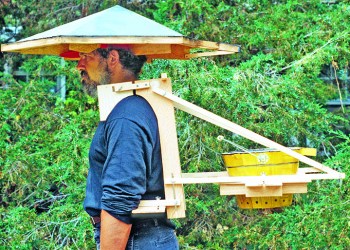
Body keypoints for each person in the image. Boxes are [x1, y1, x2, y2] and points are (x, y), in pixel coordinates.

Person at [76, 46, 179, 249]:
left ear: (112, 58)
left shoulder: (126, 114)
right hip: (141, 237)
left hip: (137, 239)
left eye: (86, 56)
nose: (79, 65)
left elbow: (120, 197)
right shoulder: (127, 108)